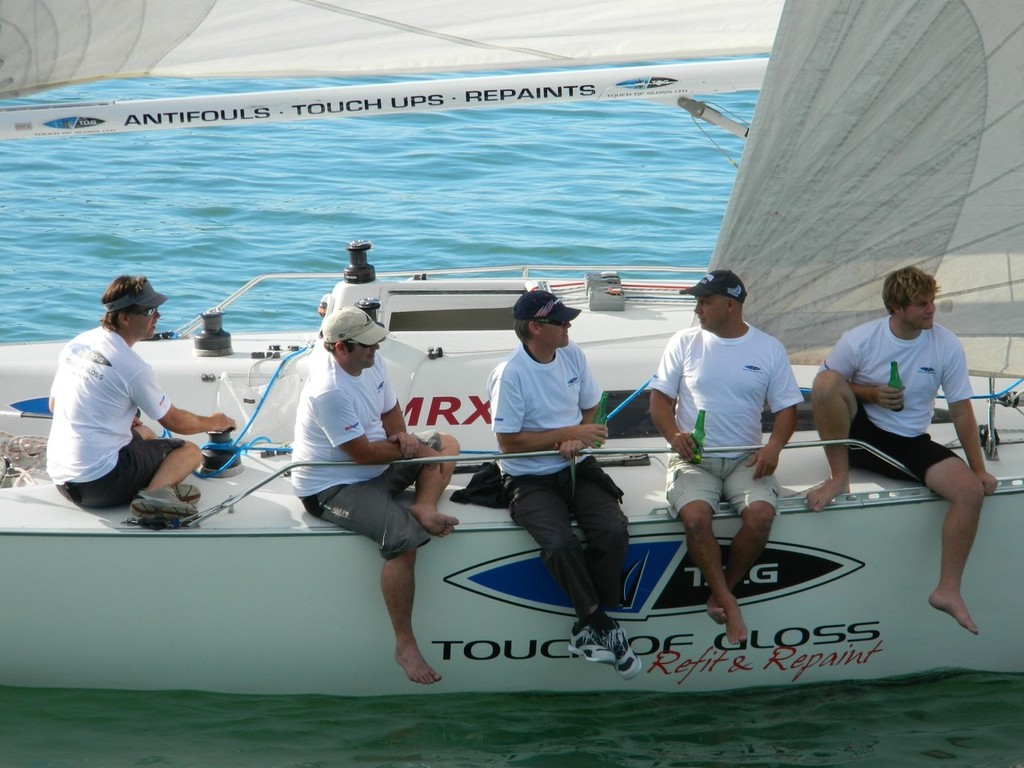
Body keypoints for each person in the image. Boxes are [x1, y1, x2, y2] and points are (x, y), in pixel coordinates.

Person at [805, 266, 997, 634]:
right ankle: (838, 478)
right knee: (828, 381)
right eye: (921, 305)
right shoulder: (860, 339)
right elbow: (825, 387)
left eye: (932, 302)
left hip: (906, 442)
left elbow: (960, 409)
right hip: (857, 433)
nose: (931, 311)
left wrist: (980, 468)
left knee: (969, 492)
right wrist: (872, 393)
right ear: (896, 307)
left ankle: (948, 590)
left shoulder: (945, 344)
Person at [291, 307, 460, 685]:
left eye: (376, 342)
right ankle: (405, 645)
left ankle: (424, 505)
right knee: (404, 542)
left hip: (378, 466)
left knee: (447, 443)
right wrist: (413, 452)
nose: (375, 350)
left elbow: (390, 410)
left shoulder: (371, 362)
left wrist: (404, 438)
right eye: (367, 345)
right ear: (340, 349)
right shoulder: (328, 390)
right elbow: (362, 453)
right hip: (333, 486)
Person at [487, 290, 641, 680]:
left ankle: (589, 626)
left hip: (578, 466)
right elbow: (509, 443)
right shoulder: (511, 374)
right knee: (558, 543)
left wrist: (578, 437)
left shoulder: (572, 354)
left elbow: (590, 403)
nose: (569, 325)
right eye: (561, 321)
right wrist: (566, 434)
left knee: (612, 527)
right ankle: (601, 624)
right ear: (536, 328)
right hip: (527, 477)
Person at [649, 270, 802, 645]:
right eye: (697, 302)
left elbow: (787, 411)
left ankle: (723, 592)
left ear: (730, 306)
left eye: (705, 302)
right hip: (694, 460)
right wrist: (674, 436)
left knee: (761, 516)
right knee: (697, 517)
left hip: (746, 459)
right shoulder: (684, 342)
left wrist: (774, 447)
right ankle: (731, 606)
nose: (698, 309)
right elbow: (659, 401)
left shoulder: (768, 348)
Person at [47, 275, 236, 516]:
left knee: (146, 432)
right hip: (101, 483)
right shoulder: (133, 368)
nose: (157, 317)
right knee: (189, 452)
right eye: (149, 311)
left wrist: (116, 417)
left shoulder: (78, 344)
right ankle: (155, 495)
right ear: (125, 317)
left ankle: (146, 483)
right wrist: (215, 422)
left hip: (62, 478)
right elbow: (175, 422)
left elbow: (54, 405)